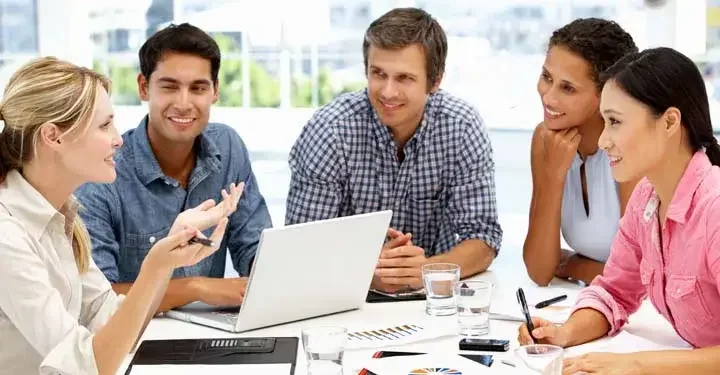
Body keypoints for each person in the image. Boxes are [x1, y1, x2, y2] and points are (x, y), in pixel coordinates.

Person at [0, 57, 233, 375]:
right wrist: (154, 267)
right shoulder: (7, 235)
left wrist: (168, 253)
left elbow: (114, 326)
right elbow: (89, 366)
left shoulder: (62, 215)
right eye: (104, 125)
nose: (118, 139)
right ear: (53, 136)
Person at [518, 47, 720, 373]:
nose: (602, 141)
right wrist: (562, 334)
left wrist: (639, 365)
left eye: (614, 122)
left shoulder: (715, 209)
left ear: (669, 122)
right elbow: (613, 292)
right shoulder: (646, 200)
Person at [285, 7, 502, 294]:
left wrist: (426, 270)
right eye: (378, 73)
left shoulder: (461, 127)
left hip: (434, 298)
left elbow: (483, 238)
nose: (387, 91)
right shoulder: (329, 131)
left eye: (404, 78)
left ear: (434, 81)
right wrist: (366, 274)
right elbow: (300, 248)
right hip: (341, 298)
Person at [75, 23, 272, 312]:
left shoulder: (228, 147)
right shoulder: (104, 172)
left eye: (198, 88)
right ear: (144, 87)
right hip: (133, 339)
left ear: (215, 91)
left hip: (213, 332)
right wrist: (196, 288)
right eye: (169, 87)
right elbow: (98, 299)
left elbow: (254, 244)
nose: (183, 103)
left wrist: (267, 276)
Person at [523, 18, 640, 286]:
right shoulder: (545, 140)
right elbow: (540, 271)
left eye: (567, 88)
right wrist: (553, 178)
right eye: (547, 78)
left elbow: (640, 277)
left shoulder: (630, 146)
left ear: (607, 93)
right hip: (593, 300)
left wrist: (573, 264)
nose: (548, 97)